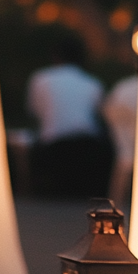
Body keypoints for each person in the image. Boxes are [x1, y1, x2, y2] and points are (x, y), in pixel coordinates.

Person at [26, 33, 113, 197]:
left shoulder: (40, 79)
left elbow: (34, 112)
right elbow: (102, 117)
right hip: (88, 148)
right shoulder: (92, 83)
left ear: (55, 56)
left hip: (53, 148)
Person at [102, 74, 138, 207]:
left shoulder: (124, 87)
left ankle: (115, 207)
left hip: (125, 142)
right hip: (136, 144)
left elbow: (107, 110)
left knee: (125, 159)